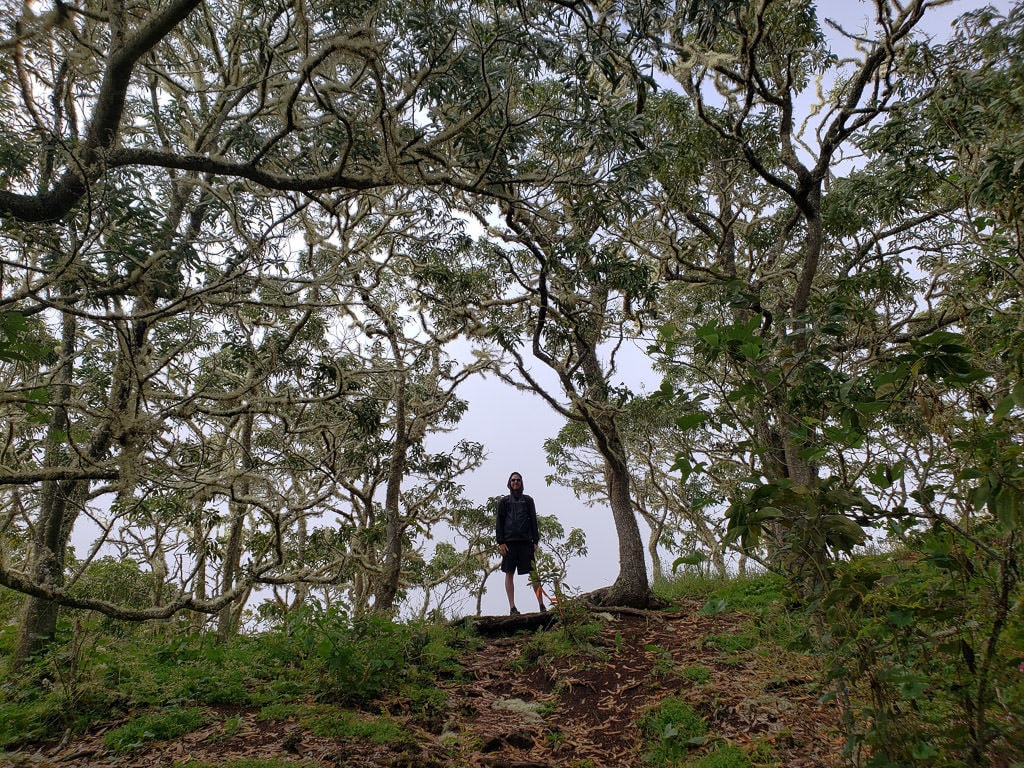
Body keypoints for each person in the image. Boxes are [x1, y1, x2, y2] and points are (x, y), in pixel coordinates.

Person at [495, 471, 546, 615]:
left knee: (534, 573)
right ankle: (512, 607)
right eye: (513, 480)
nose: (515, 482)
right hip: (509, 543)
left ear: (521, 483)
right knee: (509, 573)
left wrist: (535, 541)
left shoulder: (528, 500)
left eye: (518, 480)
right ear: (509, 483)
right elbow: (499, 523)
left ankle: (541, 605)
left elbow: (533, 522)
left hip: (525, 542)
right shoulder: (504, 502)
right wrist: (501, 542)